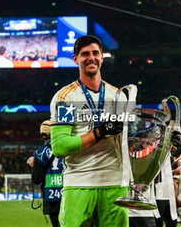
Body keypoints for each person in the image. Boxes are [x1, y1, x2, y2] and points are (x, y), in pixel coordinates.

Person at [49, 35, 128, 226]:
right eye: (85, 54)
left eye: (95, 53)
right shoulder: (66, 98)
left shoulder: (119, 97)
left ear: (102, 57)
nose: (91, 57)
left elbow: (128, 143)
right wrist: (99, 132)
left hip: (115, 183)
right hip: (79, 182)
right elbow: (60, 147)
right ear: (75, 59)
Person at [27, 120, 64, 227]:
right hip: (68, 195)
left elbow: (37, 179)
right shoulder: (67, 148)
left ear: (43, 135)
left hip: (51, 197)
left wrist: (34, 166)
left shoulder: (39, 153)